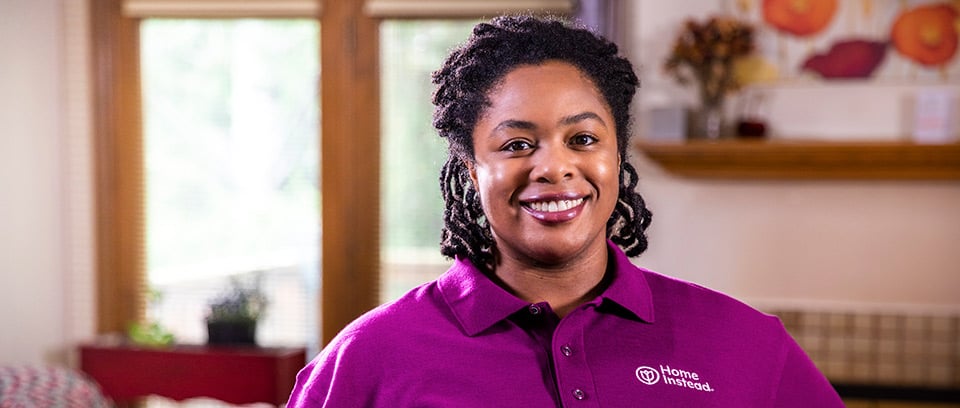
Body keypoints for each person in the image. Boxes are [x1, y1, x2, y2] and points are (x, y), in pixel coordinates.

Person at [288, 15, 843, 407]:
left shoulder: (744, 344)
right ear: (469, 171)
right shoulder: (368, 361)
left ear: (616, 157)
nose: (553, 168)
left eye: (582, 139)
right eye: (516, 144)